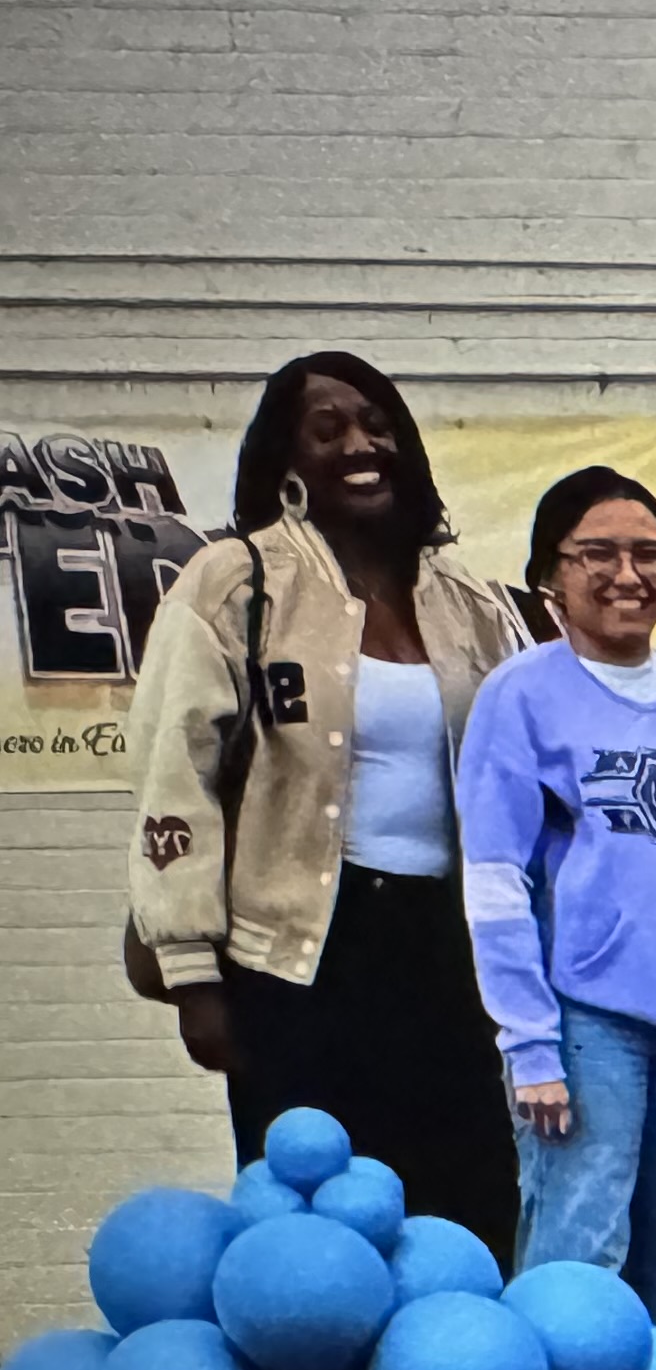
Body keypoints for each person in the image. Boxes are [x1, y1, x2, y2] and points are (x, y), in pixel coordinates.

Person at [125, 350, 529, 1254]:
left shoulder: (467, 600)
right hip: (297, 960)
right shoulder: (236, 582)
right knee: (316, 1220)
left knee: (468, 1205)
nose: (359, 444)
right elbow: (174, 773)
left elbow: (521, 775)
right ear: (286, 458)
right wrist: (194, 977)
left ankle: (459, 1349)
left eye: (377, 424)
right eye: (328, 428)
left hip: (450, 953)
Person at [455, 469, 656, 1346]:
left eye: (650, 554)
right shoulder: (520, 694)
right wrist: (529, 1045)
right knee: (581, 1248)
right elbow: (494, 879)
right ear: (551, 575)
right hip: (585, 1024)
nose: (628, 575)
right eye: (598, 554)